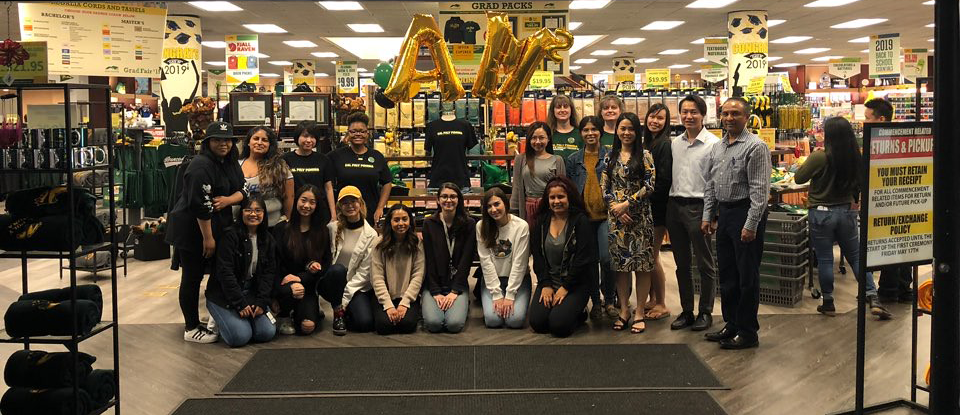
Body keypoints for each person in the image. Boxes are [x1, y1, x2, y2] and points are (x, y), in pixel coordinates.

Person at [795, 117, 892, 319]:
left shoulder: (820, 157)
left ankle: (828, 301)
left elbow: (799, 178)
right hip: (847, 211)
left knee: (825, 258)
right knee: (856, 256)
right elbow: (861, 184)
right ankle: (872, 296)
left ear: (828, 135)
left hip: (821, 213)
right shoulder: (856, 157)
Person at [166, 121, 247, 344]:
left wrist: (230, 199)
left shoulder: (229, 163)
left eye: (227, 139)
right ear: (207, 142)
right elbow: (200, 206)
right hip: (193, 232)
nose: (223, 144)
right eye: (218, 139)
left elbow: (245, 189)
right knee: (192, 277)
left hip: (217, 227)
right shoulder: (200, 166)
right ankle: (191, 327)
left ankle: (210, 319)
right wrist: (208, 238)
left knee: (218, 274)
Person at [701, 97, 772, 350]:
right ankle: (731, 324)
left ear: (747, 117)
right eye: (725, 113)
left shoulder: (756, 147)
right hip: (726, 214)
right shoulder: (718, 148)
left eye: (735, 114)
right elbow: (710, 184)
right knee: (728, 275)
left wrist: (751, 224)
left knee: (747, 277)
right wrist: (708, 215)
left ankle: (748, 331)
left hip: (746, 214)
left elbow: (760, 191)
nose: (729, 118)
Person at [667, 95, 720, 332]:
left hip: (700, 208)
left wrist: (711, 214)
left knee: (705, 264)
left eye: (693, 112)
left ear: (703, 115)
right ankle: (687, 310)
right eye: (684, 112)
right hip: (675, 206)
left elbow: (715, 182)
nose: (688, 116)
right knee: (681, 264)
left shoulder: (714, 144)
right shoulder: (674, 142)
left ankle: (706, 312)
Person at [602, 112, 656, 334]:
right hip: (617, 221)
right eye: (622, 128)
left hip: (640, 219)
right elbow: (604, 188)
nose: (626, 133)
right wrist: (616, 208)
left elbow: (650, 185)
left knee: (642, 267)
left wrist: (628, 204)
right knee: (620, 268)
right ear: (617, 131)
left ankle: (640, 311)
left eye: (631, 129)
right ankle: (624, 309)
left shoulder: (645, 155)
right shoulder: (610, 156)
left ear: (637, 131)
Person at [272, 184, 348, 335]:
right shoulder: (281, 229)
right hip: (285, 284)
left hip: (308, 285)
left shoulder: (322, 231)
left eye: (312, 202)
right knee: (291, 293)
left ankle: (306, 312)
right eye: (303, 200)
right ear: (296, 201)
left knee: (308, 326)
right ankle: (284, 314)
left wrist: (301, 277)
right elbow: (274, 263)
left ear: (317, 205)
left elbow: (325, 265)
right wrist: (286, 285)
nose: (307, 206)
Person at [528, 177, 597, 337]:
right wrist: (545, 284)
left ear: (569, 198)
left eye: (561, 197)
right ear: (547, 199)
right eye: (552, 197)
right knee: (538, 323)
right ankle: (561, 310)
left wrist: (565, 288)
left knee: (559, 326)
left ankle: (579, 312)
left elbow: (582, 260)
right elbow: (537, 257)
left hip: (574, 285)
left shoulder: (581, 221)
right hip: (549, 282)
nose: (556, 201)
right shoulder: (541, 222)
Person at [204, 195, 277, 347]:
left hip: (251, 292)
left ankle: (243, 320)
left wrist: (261, 303)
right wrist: (240, 304)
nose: (253, 214)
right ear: (241, 212)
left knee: (266, 332)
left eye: (258, 210)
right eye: (248, 210)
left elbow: (269, 274)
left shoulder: (268, 239)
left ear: (264, 213)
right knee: (240, 337)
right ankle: (219, 317)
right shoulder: (230, 235)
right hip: (223, 295)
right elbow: (225, 273)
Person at [566, 115, 616, 320]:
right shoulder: (573, 160)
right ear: (581, 134)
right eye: (585, 130)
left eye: (594, 129)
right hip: (584, 218)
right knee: (590, 261)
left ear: (600, 132)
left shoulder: (611, 157)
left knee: (607, 259)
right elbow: (570, 189)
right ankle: (595, 302)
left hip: (606, 216)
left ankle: (610, 300)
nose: (590, 133)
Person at [864, 98, 913, 303]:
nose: (864, 122)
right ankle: (903, 288)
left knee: (889, 246)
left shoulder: (880, 143)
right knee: (903, 245)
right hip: (905, 202)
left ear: (881, 119)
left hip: (887, 202)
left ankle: (889, 290)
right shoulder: (903, 139)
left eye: (867, 118)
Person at [420, 183, 477, 333]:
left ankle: (464, 302)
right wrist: (435, 291)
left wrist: (455, 291)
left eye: (453, 196)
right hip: (434, 283)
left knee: (454, 325)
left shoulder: (469, 224)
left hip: (457, 284)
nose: (448, 200)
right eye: (444, 196)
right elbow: (429, 259)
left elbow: (466, 260)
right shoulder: (429, 224)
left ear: (459, 199)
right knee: (434, 324)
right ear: (438, 200)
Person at [476, 188, 532, 329]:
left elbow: (520, 263)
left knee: (514, 321)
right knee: (493, 321)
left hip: (518, 280)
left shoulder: (521, 226)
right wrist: (496, 294)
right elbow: (485, 262)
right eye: (489, 206)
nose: (493, 209)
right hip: (493, 280)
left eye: (496, 204)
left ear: (505, 204)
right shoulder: (481, 226)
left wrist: (510, 295)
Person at [328, 112, 393, 226]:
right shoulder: (336, 156)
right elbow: (327, 184)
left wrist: (380, 208)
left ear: (367, 133)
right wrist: (333, 212)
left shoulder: (376, 156)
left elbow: (387, 183)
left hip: (370, 214)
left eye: (362, 131)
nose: (358, 134)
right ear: (348, 133)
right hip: (344, 214)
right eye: (353, 131)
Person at [331, 186, 379, 335]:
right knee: (337, 270)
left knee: (364, 323)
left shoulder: (371, 235)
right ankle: (337, 314)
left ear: (361, 204)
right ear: (340, 206)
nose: (350, 205)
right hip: (333, 283)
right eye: (345, 202)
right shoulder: (332, 228)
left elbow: (364, 274)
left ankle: (345, 312)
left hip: (356, 284)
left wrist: (345, 300)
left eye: (353, 201)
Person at [370, 204, 425, 335]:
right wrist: (388, 305)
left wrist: (405, 303)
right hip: (385, 295)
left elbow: (418, 275)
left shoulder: (417, 242)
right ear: (390, 222)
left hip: (407, 295)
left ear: (410, 221)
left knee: (407, 325)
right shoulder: (378, 243)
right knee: (383, 326)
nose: (401, 223)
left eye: (404, 219)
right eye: (396, 220)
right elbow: (376, 277)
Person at [641, 103, 673, 321]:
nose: (655, 121)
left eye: (660, 118)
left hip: (657, 210)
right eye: (652, 117)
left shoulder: (664, 145)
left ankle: (661, 302)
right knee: (649, 256)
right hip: (647, 209)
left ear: (667, 122)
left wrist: (641, 198)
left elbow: (662, 181)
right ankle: (652, 299)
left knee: (653, 257)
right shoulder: (648, 142)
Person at [510, 121, 566, 228]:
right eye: (533, 138)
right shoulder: (521, 159)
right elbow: (516, 187)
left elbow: (563, 190)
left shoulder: (557, 160)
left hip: (550, 208)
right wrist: (514, 212)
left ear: (548, 139)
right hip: (527, 209)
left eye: (541, 138)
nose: (537, 141)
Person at [282, 121, 336, 226]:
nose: (309, 140)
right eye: (305, 136)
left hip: (319, 210)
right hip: (295, 210)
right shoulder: (285, 159)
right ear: (297, 137)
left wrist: (333, 214)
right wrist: (287, 215)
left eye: (313, 137)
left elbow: (328, 188)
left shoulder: (324, 160)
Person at [239, 126, 294, 227]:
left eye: (264, 140)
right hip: (242, 225)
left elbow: (289, 197)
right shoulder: (236, 165)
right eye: (256, 138)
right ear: (248, 142)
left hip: (272, 225)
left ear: (270, 145)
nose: (259, 143)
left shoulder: (279, 166)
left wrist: (288, 220)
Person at [547, 95, 582, 160]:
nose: (562, 110)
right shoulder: (548, 134)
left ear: (571, 110)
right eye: (558, 107)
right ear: (553, 111)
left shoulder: (580, 134)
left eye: (565, 107)